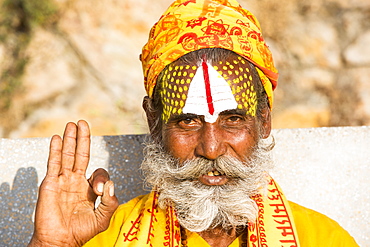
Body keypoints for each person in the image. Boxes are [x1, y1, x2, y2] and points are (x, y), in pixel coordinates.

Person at [28, 0, 359, 246]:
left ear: (264, 120)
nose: (211, 148)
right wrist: (53, 244)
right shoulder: (110, 237)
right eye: (187, 121)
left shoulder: (321, 238)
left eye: (232, 119)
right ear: (154, 123)